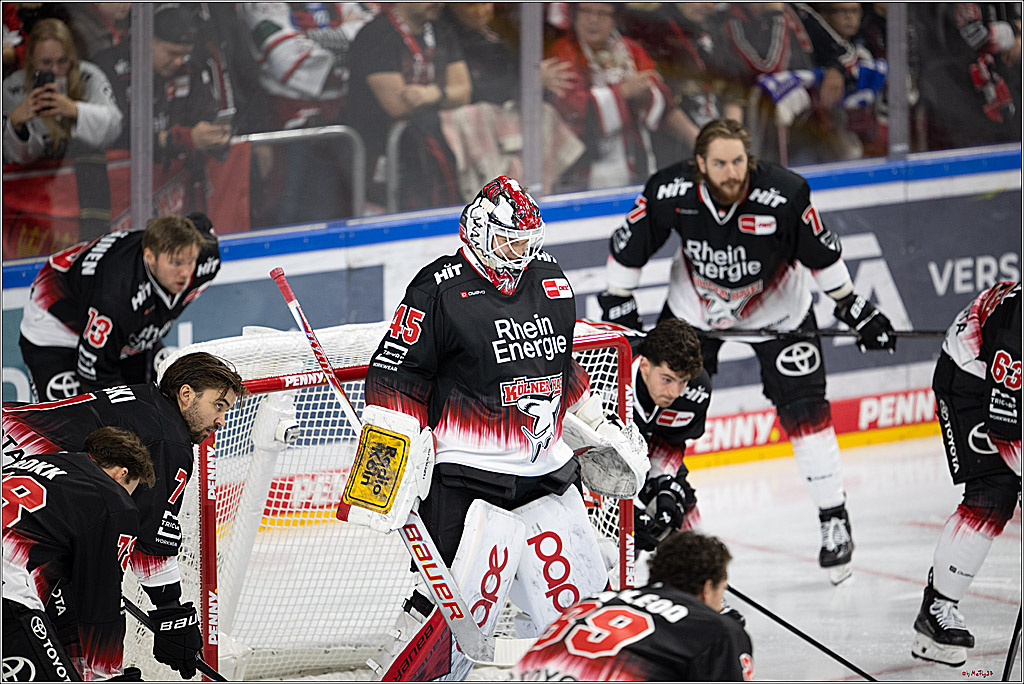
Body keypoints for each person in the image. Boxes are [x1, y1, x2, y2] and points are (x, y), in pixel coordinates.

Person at [362, 176, 640, 681]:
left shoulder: (550, 278)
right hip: (467, 477)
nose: (518, 252)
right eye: (509, 240)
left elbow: (559, 363)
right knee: (457, 608)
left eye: (527, 242)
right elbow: (395, 374)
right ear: (477, 229)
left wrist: (599, 426)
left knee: (575, 603)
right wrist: (390, 461)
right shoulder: (437, 289)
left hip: (544, 473)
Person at [599, 118, 898, 585]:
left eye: (738, 161)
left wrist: (853, 307)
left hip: (779, 315)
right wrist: (619, 301)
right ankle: (663, 496)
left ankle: (833, 516)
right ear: (700, 164)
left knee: (806, 410)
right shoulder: (670, 190)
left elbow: (821, 254)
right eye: (719, 163)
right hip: (693, 316)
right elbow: (628, 247)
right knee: (656, 410)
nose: (731, 172)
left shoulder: (784, 193)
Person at [2, 350, 245, 680]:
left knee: (67, 621)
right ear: (186, 395)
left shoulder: (145, 403)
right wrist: (170, 611)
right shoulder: (168, 438)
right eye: (218, 405)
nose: (221, 420)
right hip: (16, 495)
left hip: (18, 474)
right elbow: (152, 540)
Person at [911, 281, 1021, 667]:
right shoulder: (1017, 335)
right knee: (995, 491)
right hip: (970, 382)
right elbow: (1008, 430)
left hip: (1004, 380)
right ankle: (937, 610)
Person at [3, 426, 156, 681]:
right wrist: (107, 673)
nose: (129, 497)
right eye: (133, 488)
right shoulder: (114, 501)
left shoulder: (41, 462)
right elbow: (102, 601)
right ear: (122, 474)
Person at [18, 213, 220, 402]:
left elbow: (198, 223)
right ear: (150, 257)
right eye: (176, 263)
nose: (185, 273)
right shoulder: (115, 299)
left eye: (190, 261)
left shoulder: (206, 258)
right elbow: (94, 371)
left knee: (158, 401)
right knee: (64, 425)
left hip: (120, 322)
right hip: (56, 323)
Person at [510, 530, 754, 681]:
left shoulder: (595, 601)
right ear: (707, 587)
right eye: (721, 591)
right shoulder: (715, 630)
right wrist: (726, 634)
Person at [545, 2, 702, 192]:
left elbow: (664, 103)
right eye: (586, 11)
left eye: (603, 13)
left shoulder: (632, 50)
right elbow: (571, 111)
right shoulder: (562, 52)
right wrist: (622, 94)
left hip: (638, 168)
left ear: (615, 19)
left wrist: (646, 97)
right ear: (574, 15)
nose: (593, 20)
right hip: (580, 178)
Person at [347, 2, 471, 211]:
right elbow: (397, 106)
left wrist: (431, 94)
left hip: (433, 153)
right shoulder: (376, 35)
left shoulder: (442, 32)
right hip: (382, 155)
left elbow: (464, 92)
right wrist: (446, 97)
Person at [93, 2, 230, 164]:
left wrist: (213, 135)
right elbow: (111, 134)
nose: (179, 61)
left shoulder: (189, 68)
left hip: (172, 181)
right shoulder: (108, 68)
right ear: (146, 39)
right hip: (120, 177)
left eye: (185, 54)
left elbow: (203, 113)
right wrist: (174, 139)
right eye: (172, 53)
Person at [623, 318, 712, 553]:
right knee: (615, 538)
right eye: (667, 380)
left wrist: (663, 482)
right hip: (586, 450)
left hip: (639, 443)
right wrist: (625, 509)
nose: (674, 392)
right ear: (644, 366)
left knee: (676, 509)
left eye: (682, 381)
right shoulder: (605, 377)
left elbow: (669, 441)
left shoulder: (696, 391)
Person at [2, 16, 122, 165]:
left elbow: (114, 128)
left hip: (86, 177)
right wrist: (16, 126)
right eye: (46, 63)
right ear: (31, 59)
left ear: (71, 57)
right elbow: (13, 157)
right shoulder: (12, 88)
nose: (55, 70)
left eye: (62, 61)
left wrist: (75, 110)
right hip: (36, 184)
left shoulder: (89, 76)